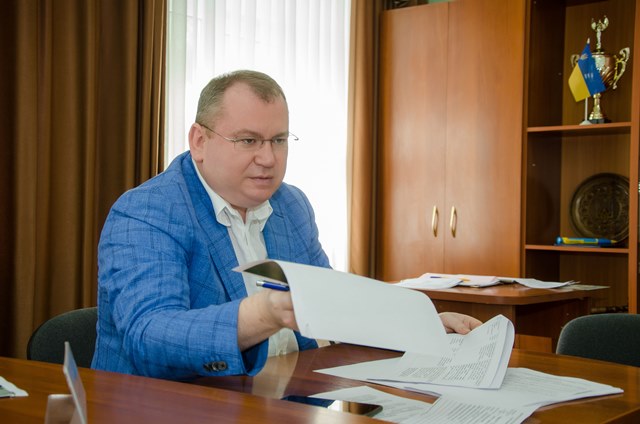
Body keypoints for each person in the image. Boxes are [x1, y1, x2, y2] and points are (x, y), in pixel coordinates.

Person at [92, 69, 481, 380]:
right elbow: (150, 335)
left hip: (285, 398)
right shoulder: (147, 211)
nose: (268, 158)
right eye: (248, 141)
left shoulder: (291, 205)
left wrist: (420, 327)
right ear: (199, 141)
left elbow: (335, 304)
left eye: (278, 140)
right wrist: (262, 314)